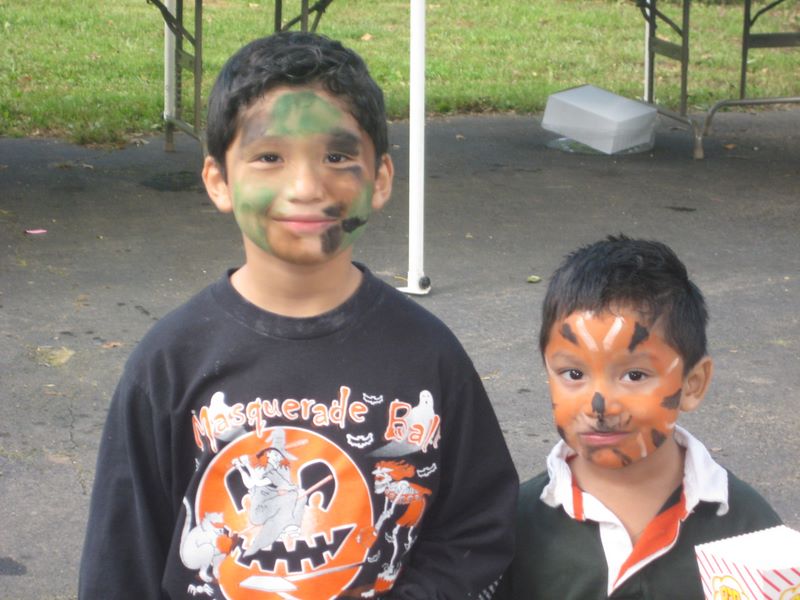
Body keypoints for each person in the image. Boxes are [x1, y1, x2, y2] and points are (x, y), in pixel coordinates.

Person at [79, 31, 517, 599]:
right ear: (219, 181)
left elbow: (480, 533)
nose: (306, 187)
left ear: (380, 179)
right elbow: (120, 563)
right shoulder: (169, 363)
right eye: (270, 157)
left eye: (337, 157)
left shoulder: (429, 355)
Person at [497, 235, 782, 599]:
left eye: (634, 375)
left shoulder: (748, 527)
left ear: (692, 384)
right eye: (573, 374)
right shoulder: (515, 524)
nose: (599, 406)